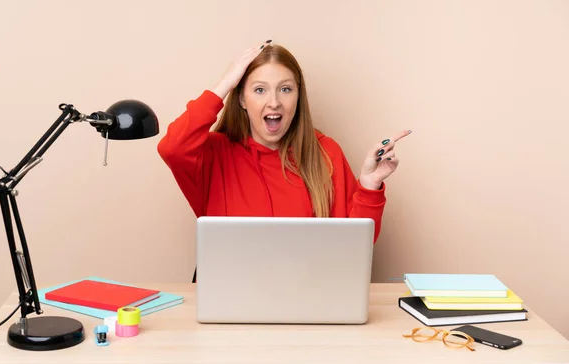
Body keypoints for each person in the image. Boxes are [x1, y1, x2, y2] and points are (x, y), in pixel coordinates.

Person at [157, 40, 411, 281]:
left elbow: (356, 246)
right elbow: (172, 148)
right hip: (230, 302)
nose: (274, 102)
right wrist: (225, 84)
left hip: (308, 300)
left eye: (286, 89)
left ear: (298, 97)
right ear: (242, 99)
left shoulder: (325, 152)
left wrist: (369, 186)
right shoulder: (212, 154)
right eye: (259, 90)